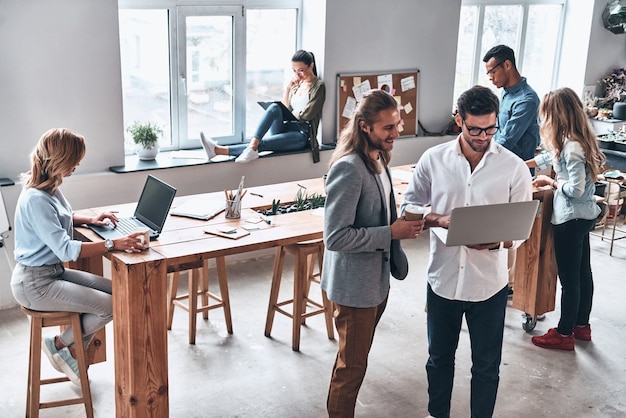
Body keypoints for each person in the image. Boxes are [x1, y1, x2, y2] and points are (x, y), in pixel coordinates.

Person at [402, 85, 532, 418]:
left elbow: (521, 229)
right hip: (442, 279)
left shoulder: (514, 167)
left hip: (488, 285)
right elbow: (410, 206)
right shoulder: (434, 159)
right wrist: (438, 219)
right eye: (475, 128)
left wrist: (499, 241)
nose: (483, 136)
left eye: (491, 128)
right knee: (439, 359)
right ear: (459, 120)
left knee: (487, 366)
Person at [10, 128, 147, 385]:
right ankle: (59, 345)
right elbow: (66, 249)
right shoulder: (36, 199)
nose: (78, 165)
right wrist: (113, 243)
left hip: (51, 274)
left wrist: (91, 219)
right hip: (35, 284)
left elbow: (60, 219)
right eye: (75, 159)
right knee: (111, 306)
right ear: (60, 159)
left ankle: (70, 351)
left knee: (119, 292)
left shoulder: (49, 187)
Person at [321, 89, 424, 417]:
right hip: (354, 290)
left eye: (397, 124)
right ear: (365, 127)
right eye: (388, 128)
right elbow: (335, 237)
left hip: (376, 284)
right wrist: (390, 233)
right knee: (350, 370)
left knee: (355, 364)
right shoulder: (350, 168)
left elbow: (378, 213)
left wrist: (403, 221)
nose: (397, 133)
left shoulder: (380, 159)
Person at [527, 87, 606, 351]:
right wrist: (525, 165)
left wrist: (551, 181)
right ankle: (581, 327)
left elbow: (574, 189)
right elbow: (550, 156)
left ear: (557, 115)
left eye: (547, 115)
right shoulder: (574, 140)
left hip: (570, 219)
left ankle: (563, 334)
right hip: (584, 218)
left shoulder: (572, 148)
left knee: (569, 280)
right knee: (583, 273)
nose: (544, 121)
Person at [483, 44, 541, 296]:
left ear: (507, 65)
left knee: (512, 232)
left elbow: (507, 139)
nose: (490, 78)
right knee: (493, 226)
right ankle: (498, 280)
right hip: (498, 168)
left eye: (492, 72)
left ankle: (509, 285)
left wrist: (477, 148)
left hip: (518, 172)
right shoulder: (505, 94)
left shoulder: (528, 99)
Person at [200, 49, 325, 163]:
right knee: (275, 107)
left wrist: (290, 115)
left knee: (262, 143)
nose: (297, 75)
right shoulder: (297, 85)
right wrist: (288, 89)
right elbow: (285, 108)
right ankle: (249, 147)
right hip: (286, 127)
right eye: (294, 71)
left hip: (301, 135)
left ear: (311, 66)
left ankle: (218, 150)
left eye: (301, 70)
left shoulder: (318, 86)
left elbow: (308, 114)